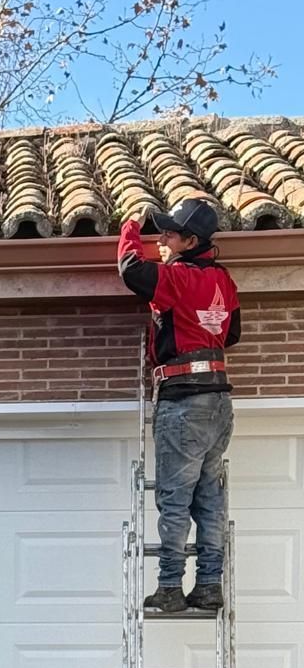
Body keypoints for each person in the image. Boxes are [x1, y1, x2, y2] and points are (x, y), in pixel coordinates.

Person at [118, 197, 241, 614]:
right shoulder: (223, 280)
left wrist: (131, 228)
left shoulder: (179, 276)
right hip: (219, 401)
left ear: (191, 240)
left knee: (174, 498)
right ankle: (209, 584)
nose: (163, 239)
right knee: (208, 496)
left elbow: (131, 270)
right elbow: (232, 332)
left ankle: (170, 586)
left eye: (169, 233)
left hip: (183, 398)